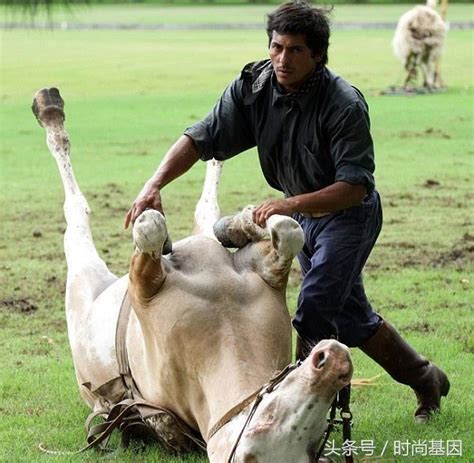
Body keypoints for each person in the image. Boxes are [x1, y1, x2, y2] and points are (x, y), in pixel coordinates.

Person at [125, 1, 449, 423]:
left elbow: (355, 187)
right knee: (350, 315)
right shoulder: (253, 87)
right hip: (299, 218)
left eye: (296, 50)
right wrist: (154, 185)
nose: (282, 59)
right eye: (277, 47)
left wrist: (289, 204)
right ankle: (427, 379)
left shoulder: (344, 103)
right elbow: (201, 137)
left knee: (315, 307)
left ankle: (300, 419)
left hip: (347, 215)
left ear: (318, 56)